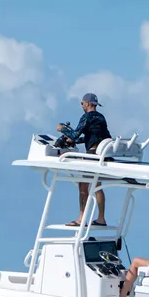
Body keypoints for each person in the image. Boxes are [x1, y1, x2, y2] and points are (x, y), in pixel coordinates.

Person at [57, 93, 112, 227]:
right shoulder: (101, 117)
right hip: (101, 155)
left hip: (92, 155)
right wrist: (75, 140)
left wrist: (62, 129)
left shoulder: (87, 117)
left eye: (82, 103)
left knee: (83, 184)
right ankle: (101, 219)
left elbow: (75, 134)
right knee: (97, 186)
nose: (81, 106)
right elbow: (94, 136)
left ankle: (81, 218)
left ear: (87, 103)